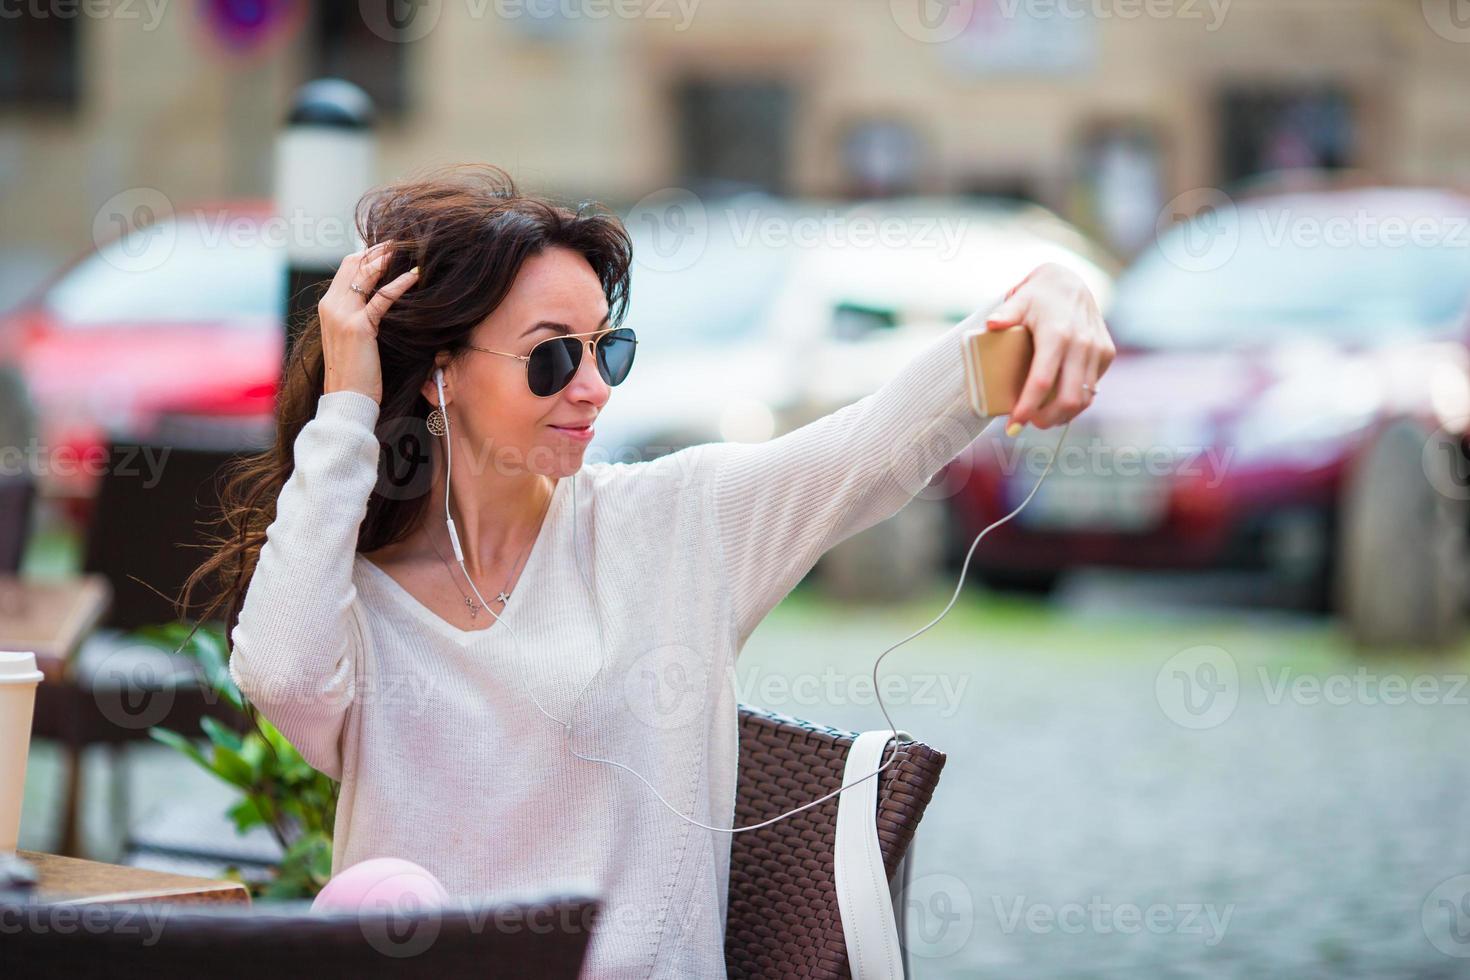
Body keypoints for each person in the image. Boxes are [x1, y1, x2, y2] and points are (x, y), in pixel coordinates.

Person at [182, 162, 1114, 978]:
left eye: (606, 348)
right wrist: (347, 405)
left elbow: (879, 441)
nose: (592, 387)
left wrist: (1052, 291)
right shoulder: (356, 592)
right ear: (440, 375)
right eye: (552, 355)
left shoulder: (676, 523)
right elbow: (282, 675)